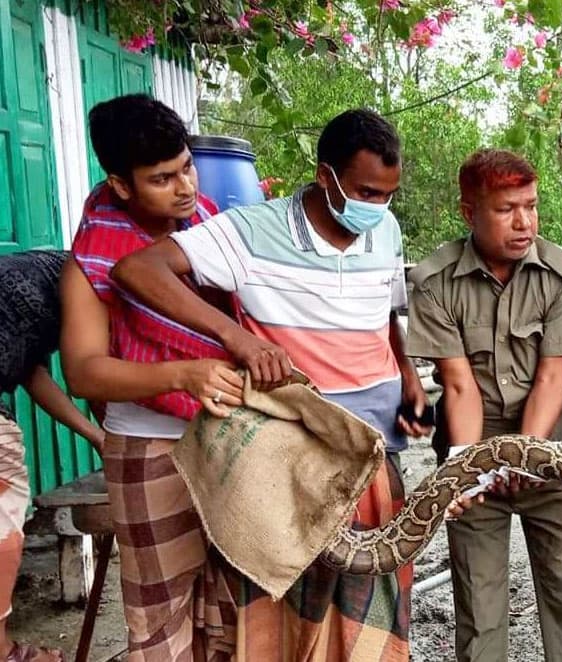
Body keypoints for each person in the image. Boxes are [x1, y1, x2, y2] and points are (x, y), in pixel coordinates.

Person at [112, 108, 430, 660]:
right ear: (325, 176)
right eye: (365, 193)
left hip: (376, 453)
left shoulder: (386, 230)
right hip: (295, 464)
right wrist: (239, 340)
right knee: (287, 614)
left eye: (387, 195)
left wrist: (407, 378)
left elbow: (386, 315)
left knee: (370, 619)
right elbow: (137, 271)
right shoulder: (251, 231)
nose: (377, 208)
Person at [406, 148, 562, 662]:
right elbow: (458, 386)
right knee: (479, 602)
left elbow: (552, 377)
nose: (524, 222)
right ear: (469, 212)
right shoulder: (434, 281)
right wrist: (469, 470)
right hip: (471, 443)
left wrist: (524, 454)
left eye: (532, 206)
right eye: (505, 209)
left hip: (553, 450)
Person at [60, 94, 243, 660]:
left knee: (234, 601)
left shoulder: (209, 226)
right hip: (148, 446)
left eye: (186, 167)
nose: (185, 187)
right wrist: (181, 374)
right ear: (120, 184)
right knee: (160, 611)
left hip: (227, 434)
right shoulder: (91, 262)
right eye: (162, 178)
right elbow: (84, 373)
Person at [0, 251, 105, 662]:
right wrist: (110, 432)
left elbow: (33, 375)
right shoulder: (92, 288)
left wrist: (95, 436)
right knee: (3, 518)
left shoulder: (43, 278)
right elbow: (93, 376)